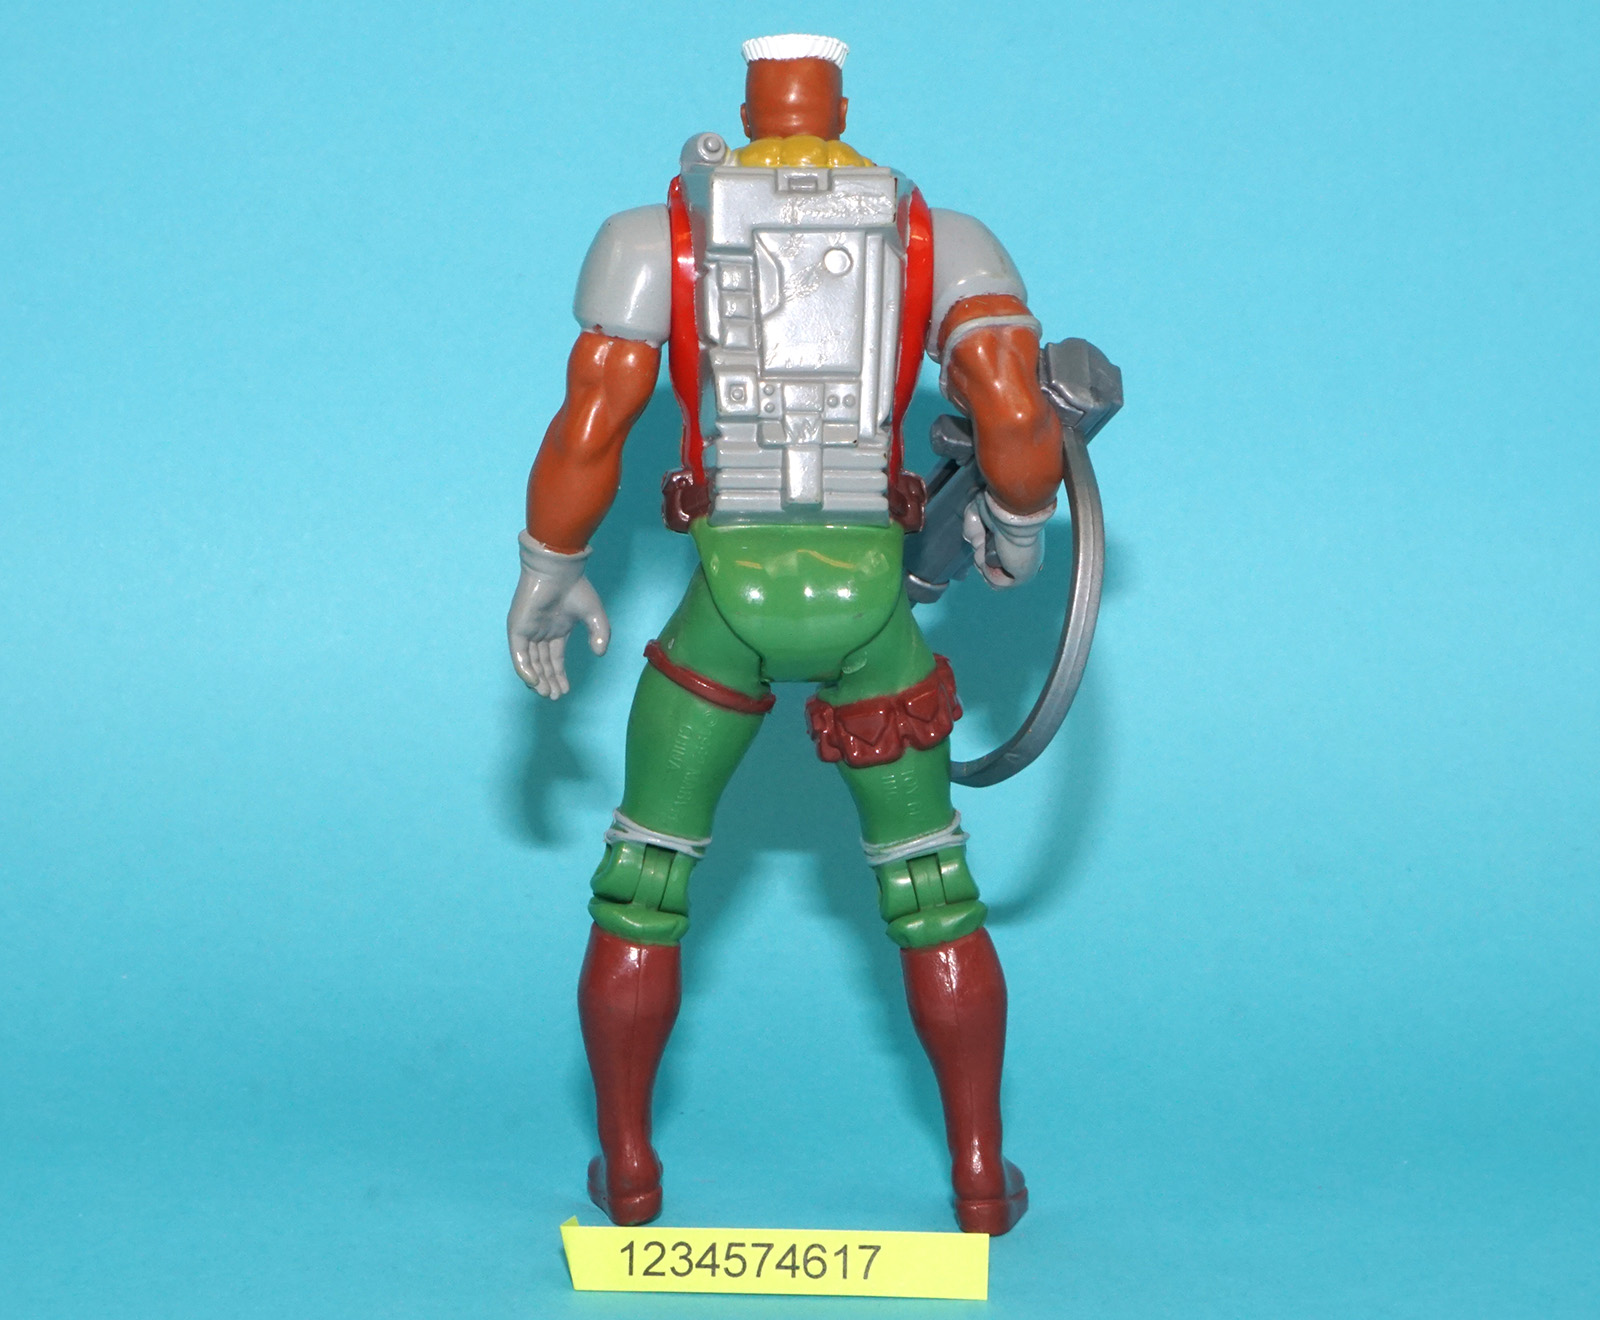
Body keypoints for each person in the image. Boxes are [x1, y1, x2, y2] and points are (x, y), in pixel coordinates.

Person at [508, 33, 1065, 1235]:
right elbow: (1018, 412)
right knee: (933, 894)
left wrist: (550, 567)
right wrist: (1018, 526)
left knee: (644, 885)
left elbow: (592, 421)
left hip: (727, 602)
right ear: (839, 106)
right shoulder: (944, 238)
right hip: (872, 608)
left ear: (750, 106)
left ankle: (631, 1176)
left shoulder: (651, 237)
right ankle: (978, 1180)